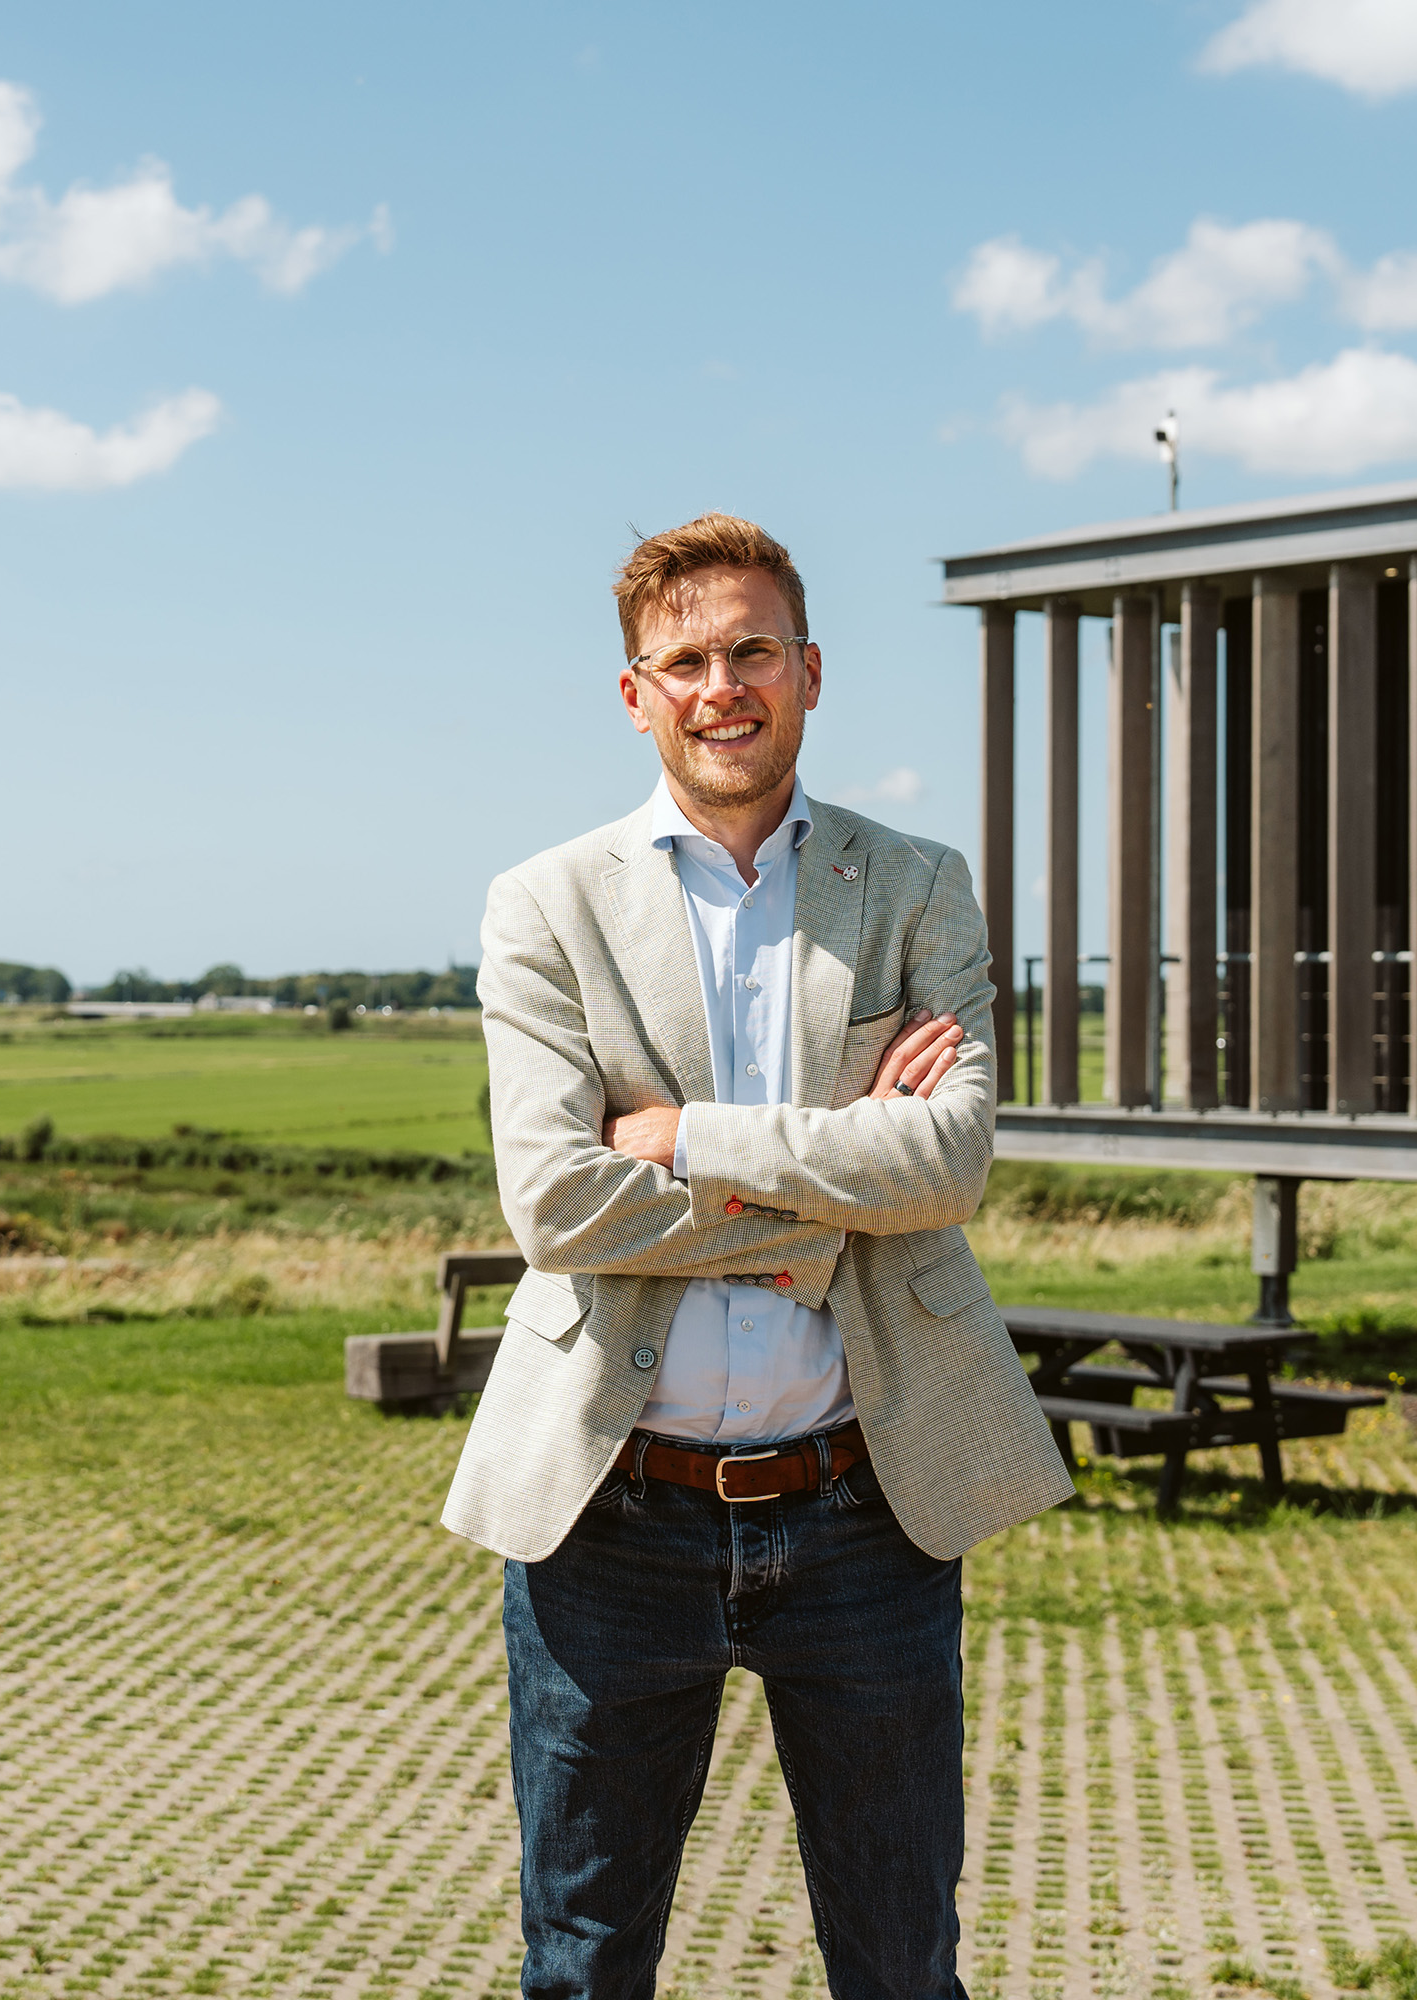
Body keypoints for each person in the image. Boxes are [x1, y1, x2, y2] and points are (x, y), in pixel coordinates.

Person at [443, 513, 1073, 1998]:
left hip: (866, 1503)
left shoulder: (916, 885)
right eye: (686, 661)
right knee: (586, 1963)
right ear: (635, 693)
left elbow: (951, 1162)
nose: (721, 684)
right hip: (611, 1514)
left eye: (751, 652)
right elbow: (556, 1205)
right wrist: (840, 1166)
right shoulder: (545, 904)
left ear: (807, 671)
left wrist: (686, 1137)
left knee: (901, 1961)